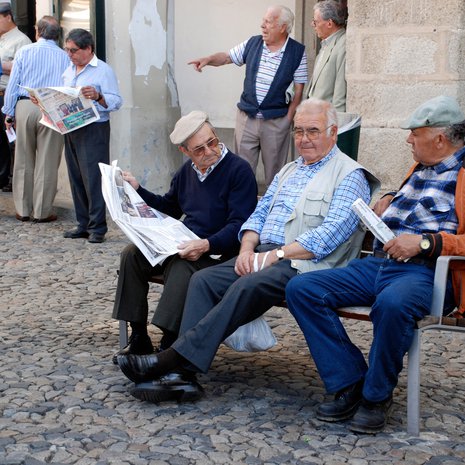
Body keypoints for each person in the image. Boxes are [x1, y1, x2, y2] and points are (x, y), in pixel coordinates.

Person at [116, 98, 380, 403]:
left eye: (313, 131)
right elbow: (258, 215)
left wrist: (274, 255)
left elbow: (329, 236)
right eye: (299, 131)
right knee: (203, 280)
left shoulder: (349, 175)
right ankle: (181, 375)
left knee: (246, 283)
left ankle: (174, 363)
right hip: (264, 254)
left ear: (333, 133)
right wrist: (246, 249)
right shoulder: (289, 170)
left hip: (305, 263)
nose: (304, 139)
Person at [285, 95, 465, 434]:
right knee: (302, 288)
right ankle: (350, 381)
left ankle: (376, 397)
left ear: (440, 138)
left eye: (415, 133)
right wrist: (389, 199)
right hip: (379, 263)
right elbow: (418, 204)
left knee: (393, 304)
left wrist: (426, 243)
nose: (408, 140)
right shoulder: (421, 166)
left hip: (424, 272)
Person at [112, 110, 258, 362]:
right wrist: (138, 190)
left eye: (212, 142)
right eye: (199, 149)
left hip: (218, 252)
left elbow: (240, 225)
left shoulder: (238, 170)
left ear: (215, 134)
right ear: (185, 151)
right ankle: (139, 337)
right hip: (187, 243)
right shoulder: (186, 172)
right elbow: (169, 207)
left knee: (181, 265)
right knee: (132, 255)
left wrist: (206, 244)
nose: (209, 151)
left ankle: (169, 344)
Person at [189, 5, 308, 187]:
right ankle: (243, 204)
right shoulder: (253, 43)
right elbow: (227, 57)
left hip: (276, 122)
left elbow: (299, 91)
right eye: (263, 21)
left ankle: (272, 204)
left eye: (268, 22)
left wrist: (287, 120)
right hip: (247, 119)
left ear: (283, 27)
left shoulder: (297, 52)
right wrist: (208, 60)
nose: (262, 26)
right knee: (241, 170)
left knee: (275, 174)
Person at [2, 16, 69, 222]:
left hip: (25, 105)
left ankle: (23, 210)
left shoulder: (24, 51)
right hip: (52, 106)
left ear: (37, 31)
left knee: (23, 158)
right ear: (57, 35)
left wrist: (9, 113)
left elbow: (13, 84)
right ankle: (41, 211)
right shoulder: (64, 56)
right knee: (48, 161)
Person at [61, 28, 122, 243]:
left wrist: (98, 96)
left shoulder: (103, 70)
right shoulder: (69, 69)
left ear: (88, 49)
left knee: (93, 178)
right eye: (67, 50)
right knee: (76, 176)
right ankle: (83, 224)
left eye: (73, 50)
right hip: (71, 126)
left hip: (94, 128)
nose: (69, 54)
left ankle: (98, 227)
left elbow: (116, 101)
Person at [0, 2, 31, 192]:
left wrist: (2, 66)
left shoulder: (21, 41)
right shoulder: (2, 40)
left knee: (10, 139)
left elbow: (22, 70)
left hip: (7, 95)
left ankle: (11, 178)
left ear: (8, 17)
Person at [307, 0, 347, 112]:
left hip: (326, 118)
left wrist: (336, 121)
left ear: (329, 23)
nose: (312, 25)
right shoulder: (326, 43)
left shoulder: (343, 44)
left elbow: (340, 95)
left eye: (315, 21)